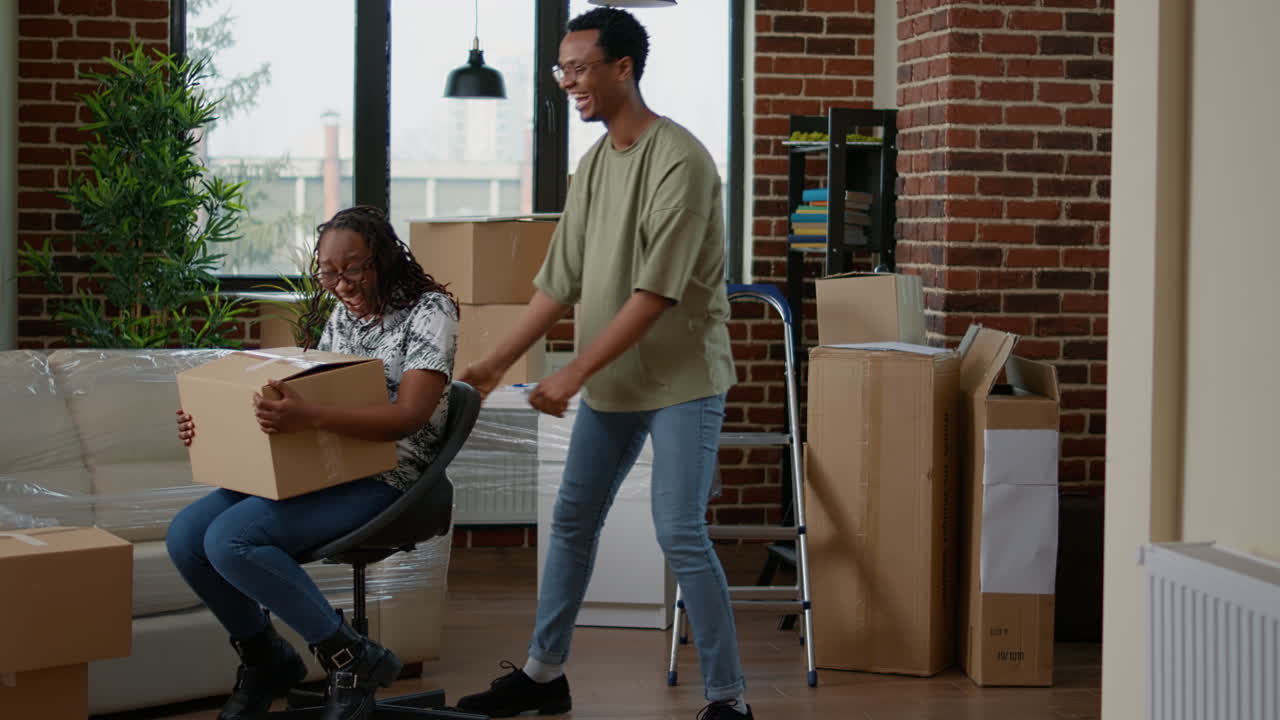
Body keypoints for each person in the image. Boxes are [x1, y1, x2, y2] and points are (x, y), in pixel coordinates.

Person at [455, 8, 753, 720]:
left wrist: (571, 373)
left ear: (624, 68)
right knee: (571, 521)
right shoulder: (591, 167)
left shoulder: (681, 159)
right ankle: (543, 673)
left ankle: (729, 699)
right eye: (562, 69)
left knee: (678, 530)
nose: (569, 82)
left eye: (581, 67)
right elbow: (559, 283)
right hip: (616, 381)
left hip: (681, 380)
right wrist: (494, 362)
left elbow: (654, 294)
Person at [167, 205, 458, 720]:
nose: (340, 283)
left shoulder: (428, 310)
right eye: (328, 272)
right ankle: (265, 658)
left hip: (391, 474)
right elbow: (306, 397)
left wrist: (310, 416)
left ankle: (348, 656)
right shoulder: (343, 314)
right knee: (187, 535)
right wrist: (211, 424)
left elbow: (409, 417)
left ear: (385, 258)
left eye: (353, 269)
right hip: (330, 463)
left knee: (231, 539)